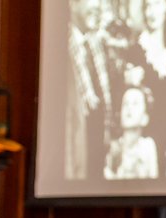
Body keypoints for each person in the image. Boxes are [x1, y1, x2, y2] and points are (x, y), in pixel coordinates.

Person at [66, 0, 112, 180]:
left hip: (98, 145)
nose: (98, 7)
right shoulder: (62, 45)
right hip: (76, 147)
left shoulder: (97, 44)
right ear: (73, 4)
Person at [104, 85, 158, 179]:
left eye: (135, 103)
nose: (129, 107)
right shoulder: (112, 148)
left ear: (145, 118)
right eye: (125, 104)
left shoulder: (148, 146)